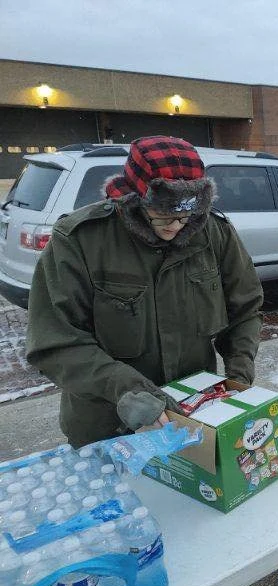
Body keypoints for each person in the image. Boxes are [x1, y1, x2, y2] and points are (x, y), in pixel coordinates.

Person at [26, 136, 264, 447]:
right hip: (108, 425)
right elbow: (55, 342)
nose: (175, 227)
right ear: (134, 197)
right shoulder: (79, 240)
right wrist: (126, 389)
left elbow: (244, 310)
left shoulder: (214, 234)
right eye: (162, 215)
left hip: (193, 416)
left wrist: (239, 372)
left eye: (185, 216)